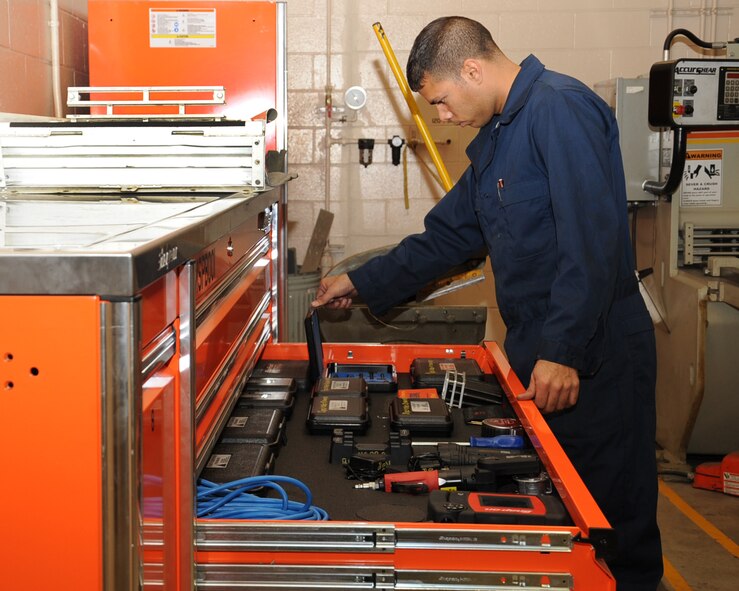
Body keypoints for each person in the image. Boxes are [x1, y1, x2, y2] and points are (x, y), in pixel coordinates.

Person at [311, 15, 662, 591]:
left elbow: (591, 242)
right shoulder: (499, 139)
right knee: (554, 515)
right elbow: (449, 237)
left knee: (612, 524)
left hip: (593, 358)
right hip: (540, 354)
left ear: (472, 68)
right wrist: (364, 282)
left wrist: (564, 351)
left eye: (443, 101)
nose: (442, 118)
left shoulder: (560, 110)